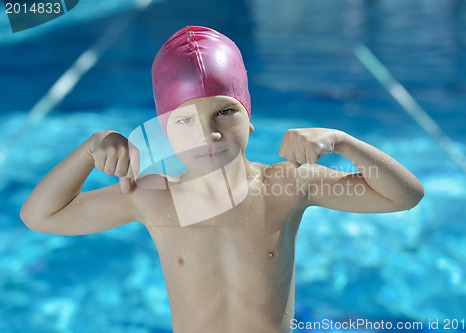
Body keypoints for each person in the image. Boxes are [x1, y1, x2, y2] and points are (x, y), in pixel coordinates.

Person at [20, 26, 424, 333]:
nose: (209, 134)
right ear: (164, 131)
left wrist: (343, 141)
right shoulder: (152, 197)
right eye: (183, 120)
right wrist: (89, 150)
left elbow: (404, 195)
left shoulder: (287, 185)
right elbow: (41, 217)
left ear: (250, 118)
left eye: (225, 112)